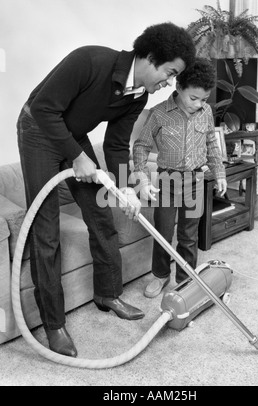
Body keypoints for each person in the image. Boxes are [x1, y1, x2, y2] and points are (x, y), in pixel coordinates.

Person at [16, 22, 196, 357]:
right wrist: (77, 156)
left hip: (72, 132)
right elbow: (43, 108)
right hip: (39, 130)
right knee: (46, 231)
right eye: (169, 73)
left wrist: (126, 188)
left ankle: (107, 294)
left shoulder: (138, 94)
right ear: (150, 59)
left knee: (101, 214)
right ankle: (54, 325)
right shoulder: (89, 61)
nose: (168, 83)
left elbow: (115, 145)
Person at [133, 57, 227, 298]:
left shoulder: (206, 112)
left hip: (195, 182)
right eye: (193, 98)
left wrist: (219, 173)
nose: (198, 104)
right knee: (163, 232)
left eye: (204, 99)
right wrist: (142, 178)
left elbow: (211, 144)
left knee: (189, 235)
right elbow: (141, 146)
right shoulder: (158, 114)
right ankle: (160, 275)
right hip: (167, 181)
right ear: (178, 88)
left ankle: (186, 280)